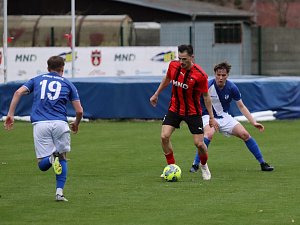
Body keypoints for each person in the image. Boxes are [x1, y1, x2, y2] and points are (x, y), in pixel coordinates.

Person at [4, 56, 83, 201]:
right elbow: (79, 111)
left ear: (47, 68)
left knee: (42, 164)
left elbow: (17, 92)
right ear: (62, 69)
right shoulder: (68, 84)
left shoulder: (37, 79)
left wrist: (10, 114)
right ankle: (59, 192)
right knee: (63, 158)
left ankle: (52, 159)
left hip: (40, 124)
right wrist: (76, 123)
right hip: (60, 124)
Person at [189, 61, 274, 173]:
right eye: (218, 75)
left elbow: (241, 106)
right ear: (215, 74)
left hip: (224, 117)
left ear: (227, 75)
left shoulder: (232, 87)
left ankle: (263, 163)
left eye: (223, 75)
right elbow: (193, 101)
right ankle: (195, 164)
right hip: (207, 116)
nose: (220, 77)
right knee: (209, 134)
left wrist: (253, 122)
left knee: (245, 134)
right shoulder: (207, 86)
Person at [150, 44, 219, 180]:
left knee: (199, 144)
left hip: (193, 112)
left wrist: (211, 117)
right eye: (180, 58)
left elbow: (206, 97)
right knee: (164, 137)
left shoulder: (200, 75)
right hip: (175, 108)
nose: (181, 62)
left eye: (184, 59)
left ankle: (204, 166)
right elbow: (167, 79)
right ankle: (171, 167)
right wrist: (156, 94)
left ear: (192, 57)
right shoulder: (173, 66)